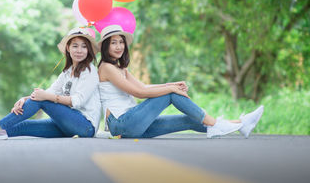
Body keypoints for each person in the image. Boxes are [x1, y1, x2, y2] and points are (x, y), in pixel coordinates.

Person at [97, 25, 264, 139]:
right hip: (122, 124)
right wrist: (171, 89)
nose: (119, 47)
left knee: (190, 119)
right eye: (114, 43)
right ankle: (216, 124)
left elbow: (143, 86)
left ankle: (241, 124)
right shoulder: (106, 67)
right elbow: (139, 93)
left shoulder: (120, 69)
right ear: (105, 46)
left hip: (134, 125)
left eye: (121, 42)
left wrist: (172, 84)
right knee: (170, 94)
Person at [0, 27, 101, 140]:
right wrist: (25, 99)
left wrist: (41, 97)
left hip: (85, 127)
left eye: (84, 46)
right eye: (75, 46)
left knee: (42, 99)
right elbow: (48, 91)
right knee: (23, 126)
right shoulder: (67, 72)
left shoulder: (89, 71)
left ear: (88, 50)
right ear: (68, 48)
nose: (79, 50)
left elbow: (77, 101)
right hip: (67, 126)